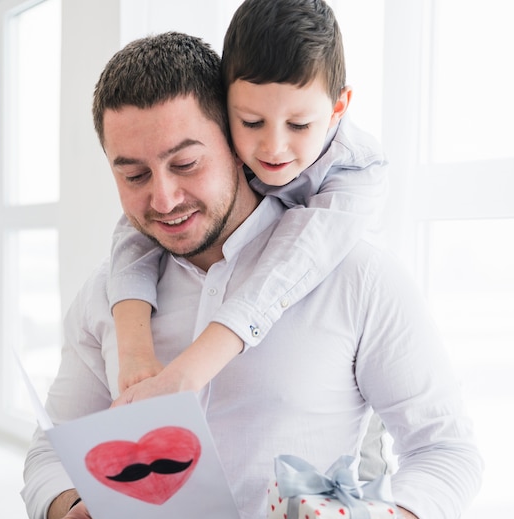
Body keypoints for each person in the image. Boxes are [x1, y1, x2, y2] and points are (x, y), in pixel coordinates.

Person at [0, 31, 482, 519]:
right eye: (133, 175)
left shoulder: (358, 276)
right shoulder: (111, 296)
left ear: (238, 145)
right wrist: (64, 509)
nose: (163, 198)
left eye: (186, 164)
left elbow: (446, 449)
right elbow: (52, 447)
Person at [110, 0, 387, 405]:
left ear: (338, 109)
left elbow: (295, 261)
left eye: (299, 125)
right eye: (251, 122)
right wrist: (134, 353)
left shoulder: (357, 171)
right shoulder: (223, 148)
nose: (273, 148)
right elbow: (135, 230)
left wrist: (189, 373)